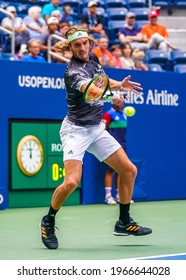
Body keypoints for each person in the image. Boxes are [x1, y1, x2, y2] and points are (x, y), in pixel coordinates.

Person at [40, 25, 152, 250]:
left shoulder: (93, 57)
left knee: (129, 170)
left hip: (96, 128)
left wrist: (120, 85)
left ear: (89, 43)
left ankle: (123, 221)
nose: (82, 48)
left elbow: (102, 80)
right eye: (77, 45)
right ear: (70, 47)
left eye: (84, 43)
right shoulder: (73, 72)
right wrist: (115, 97)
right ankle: (49, 220)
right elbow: (93, 91)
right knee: (71, 181)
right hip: (75, 130)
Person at [102, 102, 127, 205]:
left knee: (122, 170)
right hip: (111, 147)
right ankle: (108, 196)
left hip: (122, 146)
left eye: (122, 100)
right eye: (118, 100)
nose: (121, 102)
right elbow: (102, 129)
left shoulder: (124, 114)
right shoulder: (108, 114)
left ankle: (119, 195)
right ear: (113, 102)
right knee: (110, 170)